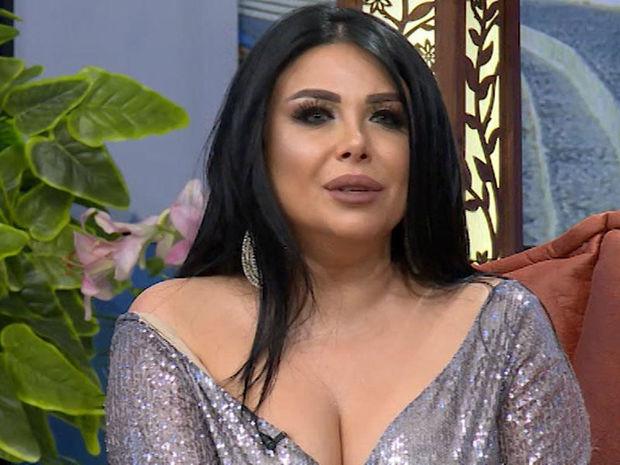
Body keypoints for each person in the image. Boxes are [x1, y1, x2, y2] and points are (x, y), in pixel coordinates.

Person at [104, 4, 591, 464]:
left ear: (420, 152)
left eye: (388, 118)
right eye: (315, 114)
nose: (356, 143)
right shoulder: (171, 329)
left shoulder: (501, 326)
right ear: (257, 143)